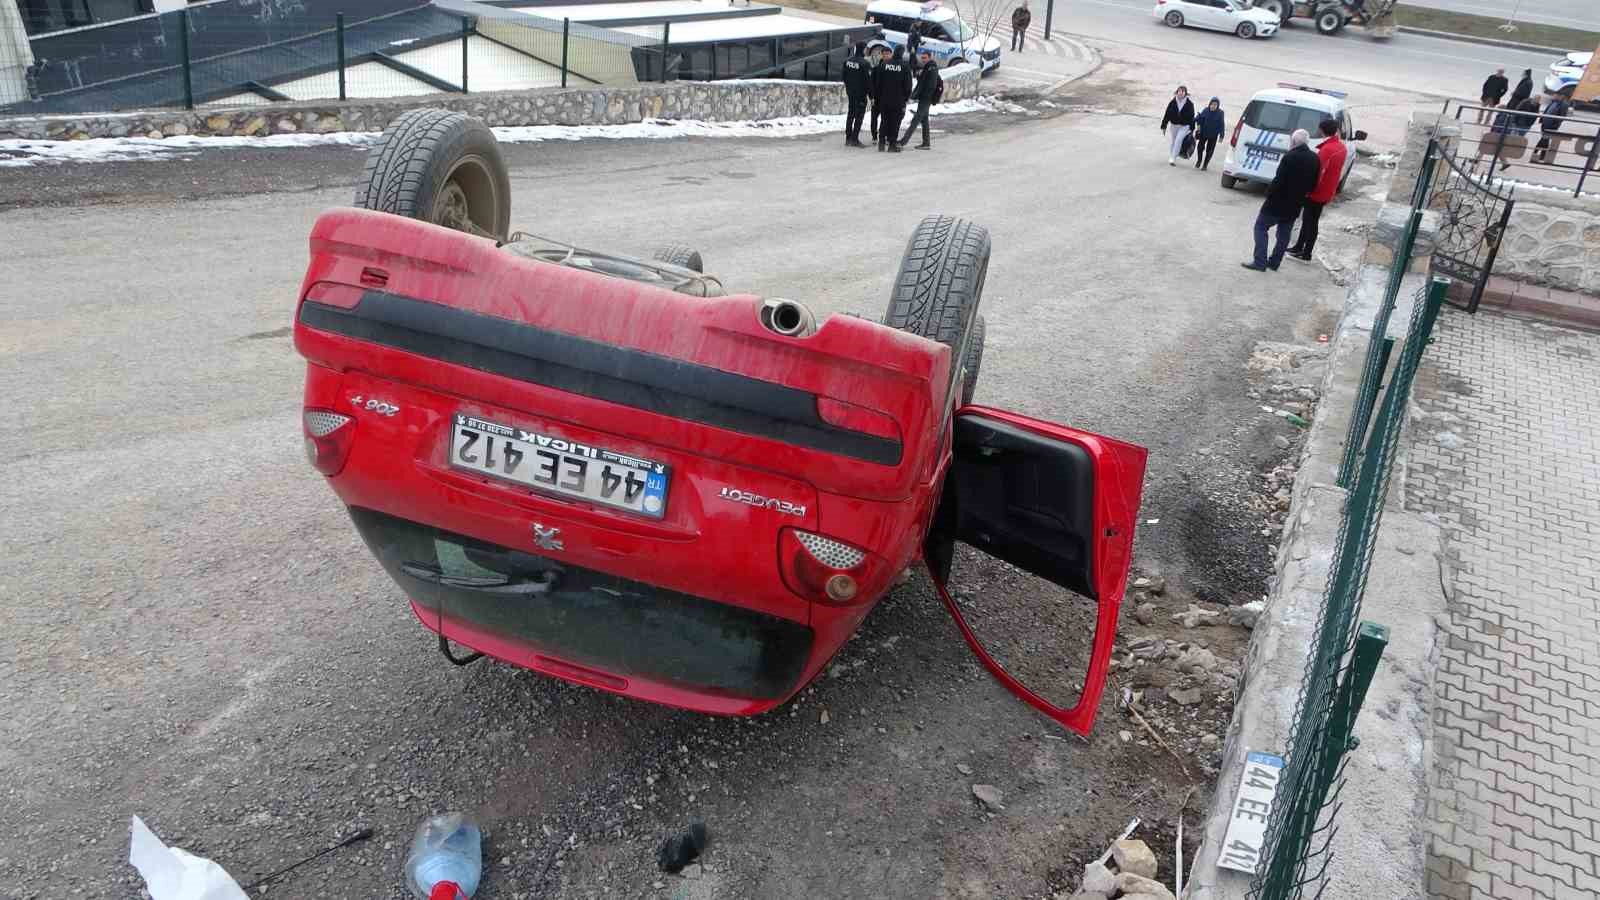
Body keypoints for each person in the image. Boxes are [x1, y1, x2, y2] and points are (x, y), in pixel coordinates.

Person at [1243, 129, 1320, 272]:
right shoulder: (1315, 158)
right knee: (1284, 234)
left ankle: (1260, 261)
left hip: (1277, 202)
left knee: (1260, 227)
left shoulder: (1290, 156)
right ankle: (1274, 262)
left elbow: (1279, 180)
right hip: (1295, 204)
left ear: (1293, 142)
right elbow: (1314, 184)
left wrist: (1268, 194)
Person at [1287, 119, 1346, 262]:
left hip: (1317, 191)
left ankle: (1305, 252)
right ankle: (1300, 247)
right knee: (1310, 220)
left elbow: (1318, 172)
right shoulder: (1341, 147)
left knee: (1309, 221)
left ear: (1321, 130)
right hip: (1327, 190)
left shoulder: (1327, 150)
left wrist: (1308, 189)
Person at [901, 48, 942, 149]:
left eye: (925, 58)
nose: (923, 60)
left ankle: (903, 142)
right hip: (925, 98)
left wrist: (925, 97)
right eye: (922, 58)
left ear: (930, 57)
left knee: (916, 120)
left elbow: (930, 85)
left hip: (926, 98)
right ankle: (926, 143)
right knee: (924, 120)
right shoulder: (928, 67)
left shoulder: (931, 68)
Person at [875, 46, 913, 153]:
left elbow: (878, 84)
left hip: (884, 99)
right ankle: (892, 145)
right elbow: (908, 86)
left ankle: (881, 143)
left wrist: (878, 98)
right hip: (898, 100)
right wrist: (905, 99)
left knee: (884, 121)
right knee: (895, 123)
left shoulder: (884, 65)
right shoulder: (905, 67)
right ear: (901, 53)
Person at [842, 42, 871, 148]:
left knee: (850, 114)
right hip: (861, 94)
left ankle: (848, 138)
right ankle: (854, 139)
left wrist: (849, 88)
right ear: (862, 49)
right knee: (859, 117)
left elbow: (844, 77)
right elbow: (868, 81)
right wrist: (871, 96)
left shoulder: (847, 61)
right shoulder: (865, 63)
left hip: (851, 92)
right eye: (866, 49)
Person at [1160, 86, 1195, 167]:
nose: (1181, 93)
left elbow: (1192, 117)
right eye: (1179, 91)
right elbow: (1167, 114)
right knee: (1174, 141)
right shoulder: (1172, 102)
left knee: (1178, 140)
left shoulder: (1190, 104)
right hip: (1174, 125)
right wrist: (1164, 126)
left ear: (1185, 93)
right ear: (1177, 92)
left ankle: (1173, 158)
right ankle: (1172, 155)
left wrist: (1192, 129)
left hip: (1184, 126)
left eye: (1183, 91)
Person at [1533, 92, 1570, 163]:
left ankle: (1537, 152)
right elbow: (1547, 111)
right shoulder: (1553, 102)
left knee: (1544, 139)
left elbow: (1561, 117)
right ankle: (1540, 153)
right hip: (1545, 123)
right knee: (1544, 139)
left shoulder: (1564, 105)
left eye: (1555, 95)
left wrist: (1555, 124)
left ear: (1561, 96)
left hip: (1552, 126)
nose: (1553, 96)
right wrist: (1542, 119)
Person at [1193, 97, 1225, 171]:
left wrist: (1221, 135)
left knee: (1209, 151)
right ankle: (1199, 160)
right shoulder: (1206, 110)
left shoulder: (1220, 113)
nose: (1213, 106)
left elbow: (1222, 124)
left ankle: (1205, 165)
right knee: (1200, 148)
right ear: (1209, 104)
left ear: (1217, 106)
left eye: (1215, 105)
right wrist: (1194, 120)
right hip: (1203, 133)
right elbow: (1199, 118)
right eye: (1212, 104)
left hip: (1213, 135)